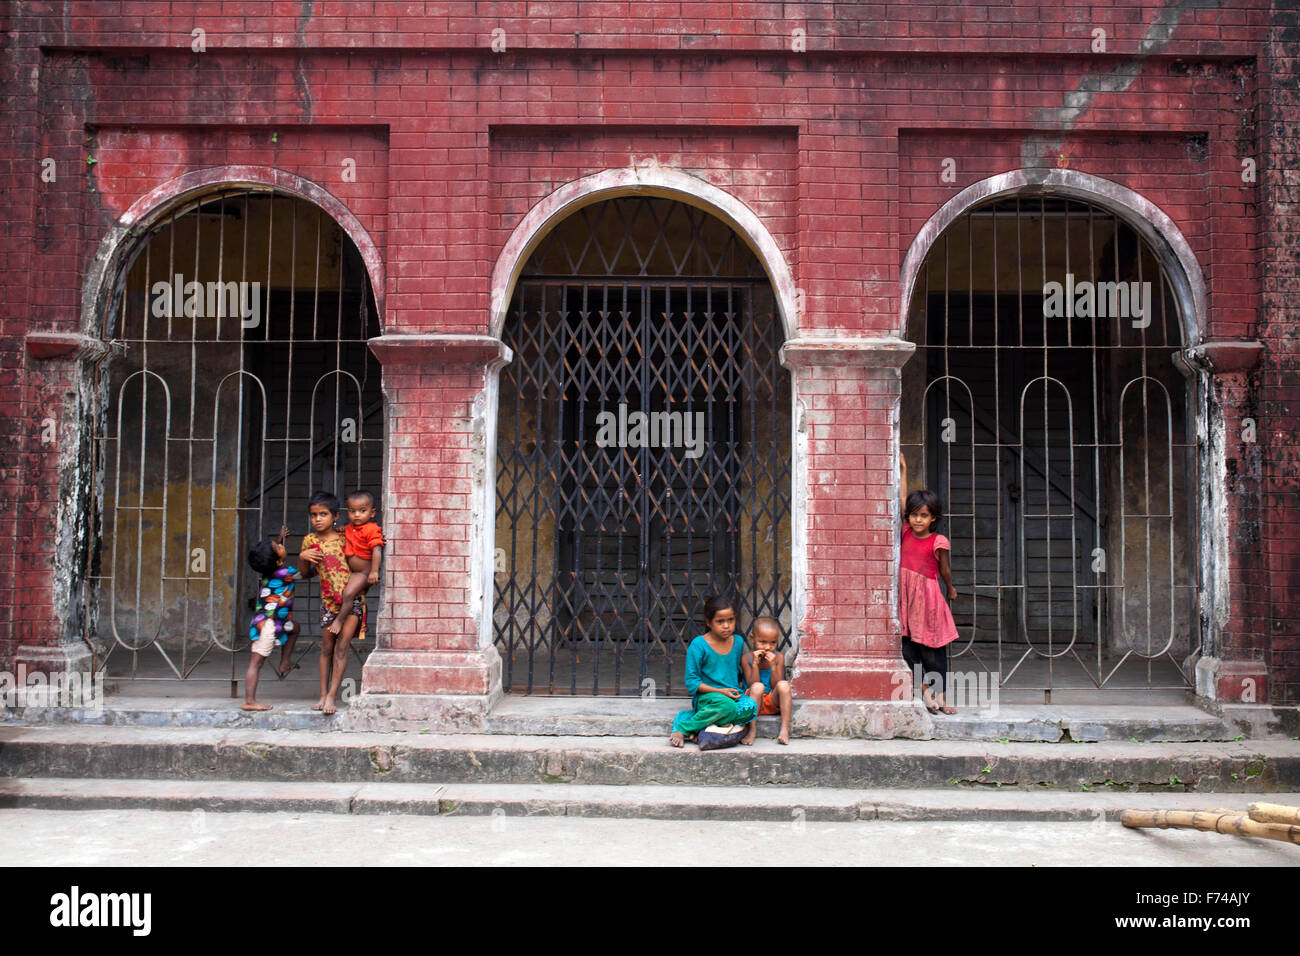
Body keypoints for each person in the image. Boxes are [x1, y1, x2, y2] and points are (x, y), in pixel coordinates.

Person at [898, 453, 959, 714]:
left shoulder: (939, 541)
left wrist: (951, 588)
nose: (917, 520)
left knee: (934, 652)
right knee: (909, 651)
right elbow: (901, 500)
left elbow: (944, 569)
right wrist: (903, 470)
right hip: (908, 600)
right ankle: (924, 691)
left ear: (933, 517)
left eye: (923, 515)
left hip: (930, 599)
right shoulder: (904, 531)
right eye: (914, 515)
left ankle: (941, 697)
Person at [297, 491, 365, 715]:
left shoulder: (345, 538)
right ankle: (321, 693)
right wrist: (302, 558)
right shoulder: (309, 541)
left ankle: (332, 696)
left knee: (342, 648)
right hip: (328, 603)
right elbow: (305, 574)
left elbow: (359, 565)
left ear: (335, 516)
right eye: (313, 515)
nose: (317, 519)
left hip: (351, 602)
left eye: (323, 514)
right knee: (326, 648)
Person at [669, 595, 760, 748]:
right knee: (728, 708)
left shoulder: (738, 642)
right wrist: (721, 691)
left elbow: (739, 674)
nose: (726, 626)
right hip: (707, 697)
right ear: (708, 622)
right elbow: (691, 683)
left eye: (730, 620)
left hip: (732, 696)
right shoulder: (698, 645)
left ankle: (700, 724)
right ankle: (683, 727)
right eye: (720, 621)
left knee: (750, 708)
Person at [243, 525, 300, 712]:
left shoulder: (269, 569)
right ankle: (249, 701)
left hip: (277, 621)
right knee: (256, 662)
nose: (280, 545)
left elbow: (273, 557)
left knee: (296, 628)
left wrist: (280, 538)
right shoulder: (285, 573)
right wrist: (307, 557)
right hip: (267, 624)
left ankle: (284, 662)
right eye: (278, 545)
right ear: (277, 561)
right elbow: (307, 573)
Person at [324, 490, 383, 637]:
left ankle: (339, 620)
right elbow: (344, 535)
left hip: (362, 573)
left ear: (372, 513)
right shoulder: (349, 528)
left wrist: (374, 571)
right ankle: (363, 622)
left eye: (362, 511)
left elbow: (376, 550)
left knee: (348, 594)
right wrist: (340, 529)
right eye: (352, 511)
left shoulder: (372, 529)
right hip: (352, 572)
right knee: (359, 597)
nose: (356, 515)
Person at [744, 616, 793, 744]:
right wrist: (755, 664)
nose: (767, 647)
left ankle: (784, 730)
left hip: (771, 700)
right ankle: (752, 730)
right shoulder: (746, 658)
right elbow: (751, 684)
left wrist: (773, 666)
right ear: (752, 638)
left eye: (773, 642)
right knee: (757, 687)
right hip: (754, 701)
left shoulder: (779, 657)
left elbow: (776, 684)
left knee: (784, 685)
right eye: (762, 642)